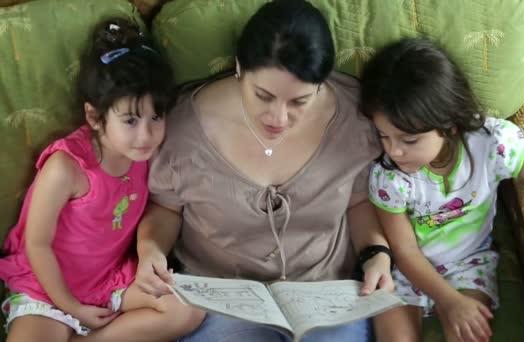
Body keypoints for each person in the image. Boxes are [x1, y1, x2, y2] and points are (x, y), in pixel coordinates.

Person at [135, 1, 393, 341]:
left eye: (299, 101)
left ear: (321, 82)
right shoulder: (184, 127)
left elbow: (358, 202)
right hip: (221, 296)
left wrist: (376, 254)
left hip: (325, 293)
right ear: (240, 67)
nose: (279, 118)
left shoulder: (353, 117)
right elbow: (166, 208)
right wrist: (150, 251)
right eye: (263, 96)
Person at [360, 38, 524, 342]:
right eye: (384, 136)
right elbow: (405, 251)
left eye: (409, 140)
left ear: (449, 125)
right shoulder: (388, 177)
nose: (394, 151)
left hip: (469, 263)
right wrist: (447, 301)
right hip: (407, 270)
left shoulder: (492, 144)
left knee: (466, 333)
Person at [0, 17, 204, 342]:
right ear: (95, 117)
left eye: (156, 117)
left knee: (189, 309)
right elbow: (36, 245)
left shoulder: (149, 156)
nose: (146, 135)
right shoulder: (66, 167)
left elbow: (159, 208)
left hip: (109, 280)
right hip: (48, 287)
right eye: (130, 120)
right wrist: (71, 307)